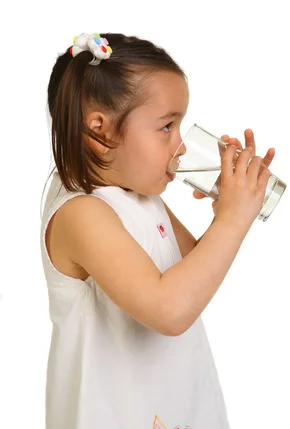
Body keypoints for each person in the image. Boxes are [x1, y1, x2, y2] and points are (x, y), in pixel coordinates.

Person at [41, 32, 274, 429]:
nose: (181, 146)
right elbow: (169, 310)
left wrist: (227, 212)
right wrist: (232, 220)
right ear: (99, 132)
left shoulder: (142, 197)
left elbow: (193, 275)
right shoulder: (82, 214)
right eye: (167, 127)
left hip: (175, 405)